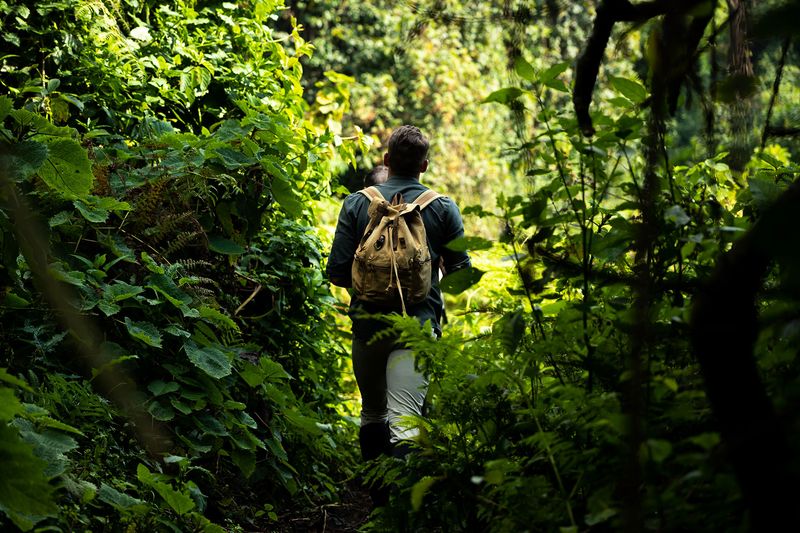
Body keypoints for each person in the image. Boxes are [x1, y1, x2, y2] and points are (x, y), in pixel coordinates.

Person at [326, 125, 471, 475]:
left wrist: (371, 288)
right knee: (406, 420)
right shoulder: (442, 208)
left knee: (373, 413)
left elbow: (337, 272)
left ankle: (376, 502)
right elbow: (461, 275)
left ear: (387, 160)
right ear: (424, 165)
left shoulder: (357, 203)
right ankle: (403, 507)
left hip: (367, 327)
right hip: (417, 330)